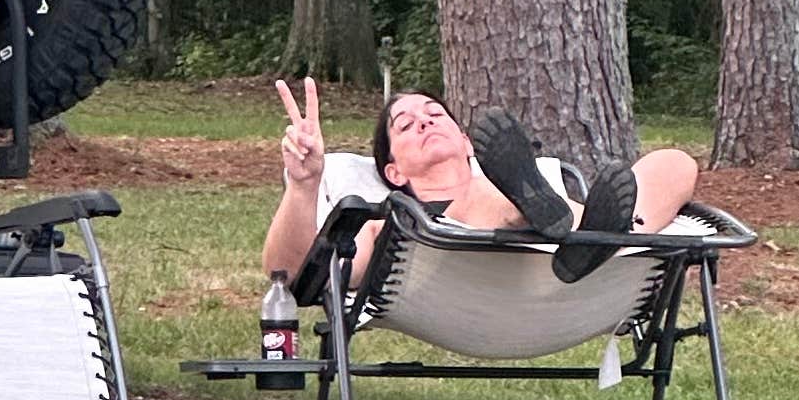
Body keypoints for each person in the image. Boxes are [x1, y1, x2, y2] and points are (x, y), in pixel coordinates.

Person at [263, 79, 701, 289]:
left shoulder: (520, 176)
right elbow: (290, 274)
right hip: (476, 274)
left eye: (435, 115)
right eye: (405, 125)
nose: (424, 121)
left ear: (466, 142)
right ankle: (600, 234)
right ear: (394, 172)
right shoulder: (387, 224)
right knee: (478, 192)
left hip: (569, 279)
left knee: (675, 161)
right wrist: (304, 186)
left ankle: (605, 236)